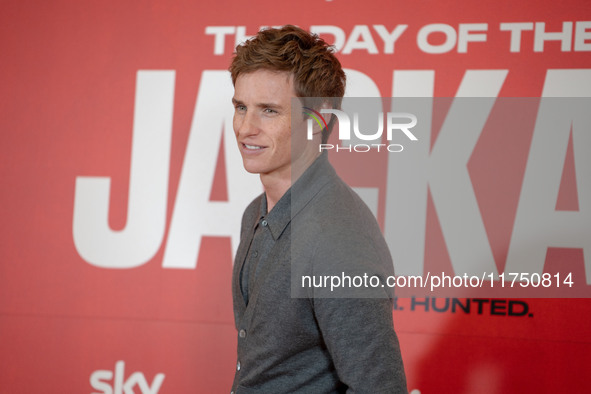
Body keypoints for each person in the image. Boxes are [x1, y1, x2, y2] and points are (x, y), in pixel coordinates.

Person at [229, 25, 407, 393]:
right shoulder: (256, 213)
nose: (246, 127)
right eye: (241, 107)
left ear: (320, 118)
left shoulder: (337, 239)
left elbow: (379, 387)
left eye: (269, 111)